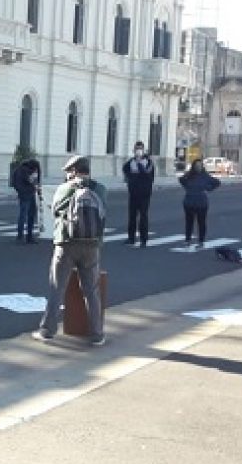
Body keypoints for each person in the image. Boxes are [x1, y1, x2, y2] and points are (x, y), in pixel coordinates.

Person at [32, 156, 108, 346]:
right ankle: (97, 334)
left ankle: (47, 330)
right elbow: (103, 212)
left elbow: (55, 211)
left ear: (74, 171)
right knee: (91, 290)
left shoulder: (65, 188)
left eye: (68, 171)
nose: (66, 175)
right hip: (92, 245)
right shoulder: (100, 189)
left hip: (66, 243)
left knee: (57, 287)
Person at [178, 158, 221, 249]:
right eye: (196, 166)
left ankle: (201, 241)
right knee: (189, 222)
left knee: (201, 222)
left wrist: (208, 188)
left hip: (201, 203)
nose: (198, 167)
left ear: (202, 167)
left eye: (200, 166)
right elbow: (181, 180)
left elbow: (217, 182)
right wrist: (187, 187)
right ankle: (188, 240)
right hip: (189, 202)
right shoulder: (189, 175)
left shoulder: (205, 176)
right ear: (193, 166)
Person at [122, 141, 154, 248]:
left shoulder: (148, 162)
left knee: (143, 216)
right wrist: (129, 179)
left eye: (140, 149)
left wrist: (139, 163)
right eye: (136, 149)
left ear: (143, 150)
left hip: (144, 194)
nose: (138, 151)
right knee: (132, 216)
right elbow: (125, 169)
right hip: (133, 193)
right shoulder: (131, 162)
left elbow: (147, 174)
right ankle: (131, 238)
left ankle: (143, 239)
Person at [12, 158, 42, 244]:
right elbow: (32, 181)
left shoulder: (18, 170)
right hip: (29, 193)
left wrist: (19, 190)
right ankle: (28, 236)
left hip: (23, 193)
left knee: (23, 215)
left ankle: (20, 236)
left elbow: (14, 182)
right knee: (29, 215)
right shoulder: (28, 171)